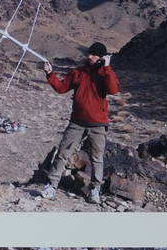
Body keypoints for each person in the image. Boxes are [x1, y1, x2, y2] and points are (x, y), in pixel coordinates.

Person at [37, 41, 121, 204]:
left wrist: (107, 68)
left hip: (97, 124)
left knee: (97, 159)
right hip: (77, 122)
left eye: (94, 55)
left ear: (101, 57)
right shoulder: (78, 72)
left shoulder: (105, 74)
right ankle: (51, 186)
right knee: (63, 153)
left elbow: (113, 90)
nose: (89, 56)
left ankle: (95, 190)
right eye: (89, 54)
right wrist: (50, 74)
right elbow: (61, 88)